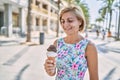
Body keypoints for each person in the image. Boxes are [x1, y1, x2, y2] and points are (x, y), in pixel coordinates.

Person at [44, 6, 99, 80]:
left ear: (80, 21)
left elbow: (94, 78)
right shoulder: (57, 43)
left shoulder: (89, 46)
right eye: (63, 21)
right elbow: (54, 72)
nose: (65, 24)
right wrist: (50, 70)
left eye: (70, 20)